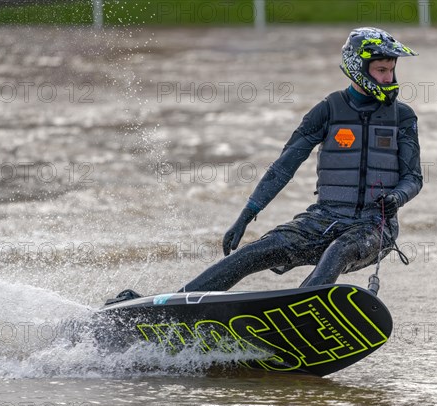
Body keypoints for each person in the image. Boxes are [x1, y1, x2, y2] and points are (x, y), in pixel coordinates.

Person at [181, 27, 423, 292]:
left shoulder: (403, 117)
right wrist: (246, 215)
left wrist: (397, 197)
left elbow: (413, 178)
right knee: (253, 252)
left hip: (375, 227)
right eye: (381, 70)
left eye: (391, 70)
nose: (388, 78)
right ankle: (174, 305)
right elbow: (284, 167)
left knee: (337, 252)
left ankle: (302, 308)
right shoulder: (327, 110)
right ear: (359, 68)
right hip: (324, 218)